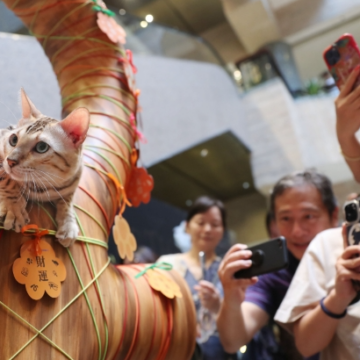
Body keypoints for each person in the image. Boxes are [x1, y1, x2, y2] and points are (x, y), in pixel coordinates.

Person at [217, 170, 339, 360]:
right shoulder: (272, 273)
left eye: (309, 216)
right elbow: (233, 341)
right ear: (274, 223)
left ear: (334, 215)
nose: (297, 231)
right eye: (286, 218)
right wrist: (231, 297)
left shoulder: (351, 253)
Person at [157, 196, 237, 360]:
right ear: (187, 226)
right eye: (201, 223)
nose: (207, 229)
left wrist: (219, 306)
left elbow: (239, 320)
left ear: (222, 230)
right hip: (179, 351)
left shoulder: (230, 269)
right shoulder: (167, 264)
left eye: (215, 224)